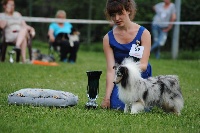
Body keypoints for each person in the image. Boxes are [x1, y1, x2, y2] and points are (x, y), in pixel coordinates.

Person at [101, 0, 152, 110]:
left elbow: (143, 65)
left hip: (140, 75)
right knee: (117, 106)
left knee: (140, 106)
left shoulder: (144, 33)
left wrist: (127, 70)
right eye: (113, 15)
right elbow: (111, 70)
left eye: (120, 13)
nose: (116, 18)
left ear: (129, 10)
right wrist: (107, 98)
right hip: (121, 76)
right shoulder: (107, 38)